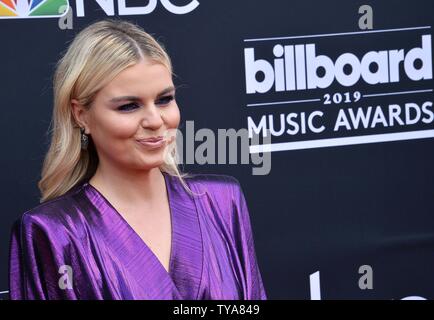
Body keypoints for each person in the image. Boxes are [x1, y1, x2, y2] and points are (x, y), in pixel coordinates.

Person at [8, 19, 267, 300]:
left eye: (164, 99)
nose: (155, 120)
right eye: (129, 106)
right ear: (81, 116)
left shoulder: (221, 202)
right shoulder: (54, 232)